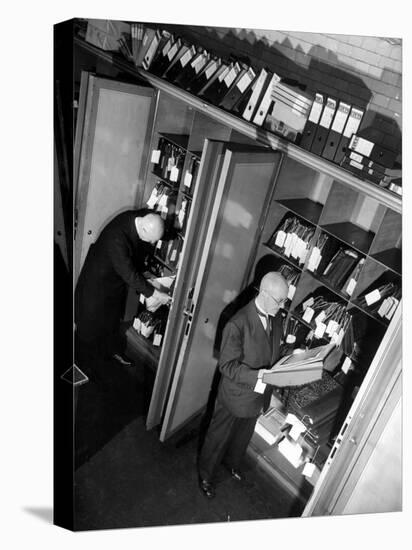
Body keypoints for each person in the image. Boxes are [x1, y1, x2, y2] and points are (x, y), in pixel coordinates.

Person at [197, 271, 289, 498]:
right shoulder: (237, 323)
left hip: (257, 396)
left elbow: (271, 350)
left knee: (242, 438)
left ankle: (232, 463)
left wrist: (289, 357)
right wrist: (260, 376)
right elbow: (227, 366)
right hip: (235, 396)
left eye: (285, 300)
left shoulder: (275, 316)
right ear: (265, 294)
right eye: (280, 301)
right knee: (217, 438)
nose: (283, 306)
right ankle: (206, 475)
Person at [75, 209, 170, 372]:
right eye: (153, 240)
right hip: (96, 285)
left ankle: (110, 354)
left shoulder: (139, 218)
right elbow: (129, 274)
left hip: (113, 284)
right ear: (144, 229)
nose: (153, 244)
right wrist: (156, 294)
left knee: (111, 322)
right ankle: (83, 364)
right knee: (89, 327)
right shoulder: (116, 238)